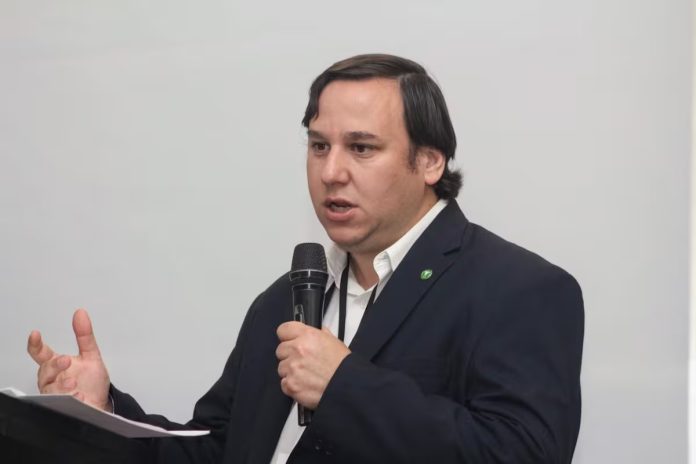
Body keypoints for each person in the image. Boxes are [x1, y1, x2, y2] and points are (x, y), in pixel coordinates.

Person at [27, 54, 584, 463]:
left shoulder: (520, 290)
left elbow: (523, 454)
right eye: (319, 146)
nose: (330, 172)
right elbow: (219, 450)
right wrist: (103, 411)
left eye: (361, 148)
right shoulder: (287, 298)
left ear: (430, 161)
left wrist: (344, 387)